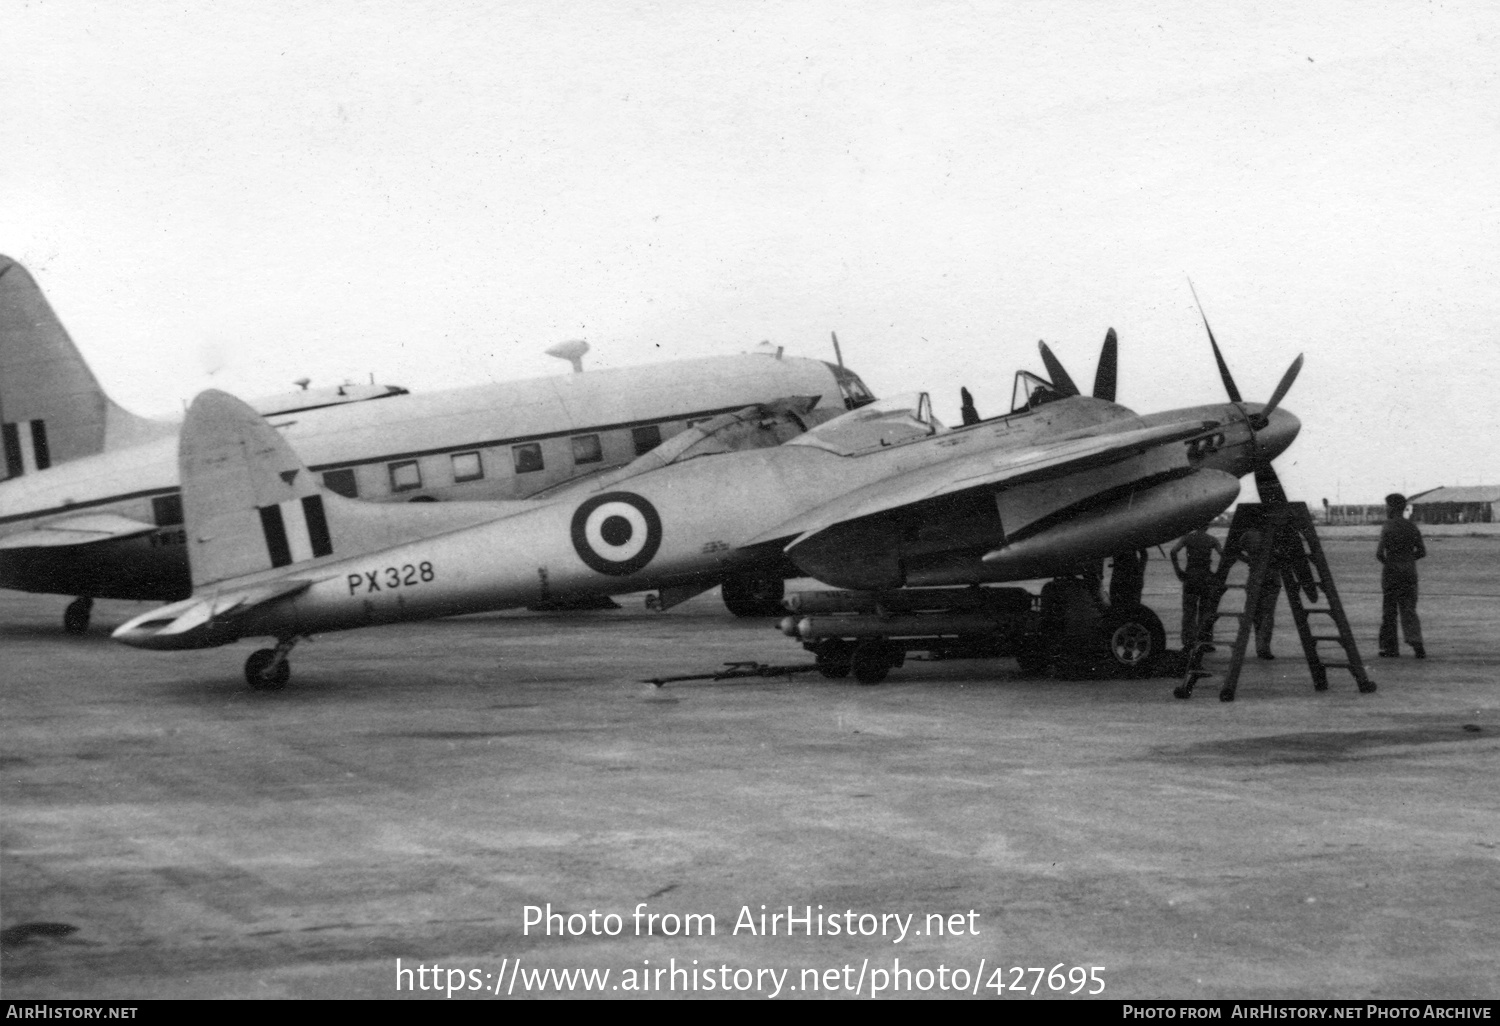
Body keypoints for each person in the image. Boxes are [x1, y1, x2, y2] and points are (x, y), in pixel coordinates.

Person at [1376, 492, 1426, 658]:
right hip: (1409, 572)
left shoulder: (1388, 526)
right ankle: (1417, 644)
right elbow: (1422, 551)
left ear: (1391, 507)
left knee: (1389, 612)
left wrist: (1391, 563)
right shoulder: (1412, 527)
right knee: (1409, 610)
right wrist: (1408, 560)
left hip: (1391, 573)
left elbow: (1379, 554)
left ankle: (1390, 648)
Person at [1171, 527, 1223, 650]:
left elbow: (1173, 551)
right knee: (1206, 611)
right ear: (1207, 526)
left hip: (1191, 576)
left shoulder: (1187, 538)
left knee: (1189, 611)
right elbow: (1223, 554)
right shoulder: (1212, 539)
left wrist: (1178, 570)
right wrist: (1217, 574)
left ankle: (1189, 642)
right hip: (1206, 577)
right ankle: (1205, 642)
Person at [1235, 526, 1282, 659]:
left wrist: (1250, 560)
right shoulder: (1275, 533)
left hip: (1255, 576)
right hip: (1272, 577)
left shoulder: (1248, 535)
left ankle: (1259, 647)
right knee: (1267, 615)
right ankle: (1263, 648)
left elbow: (1236, 551)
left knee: (1254, 614)